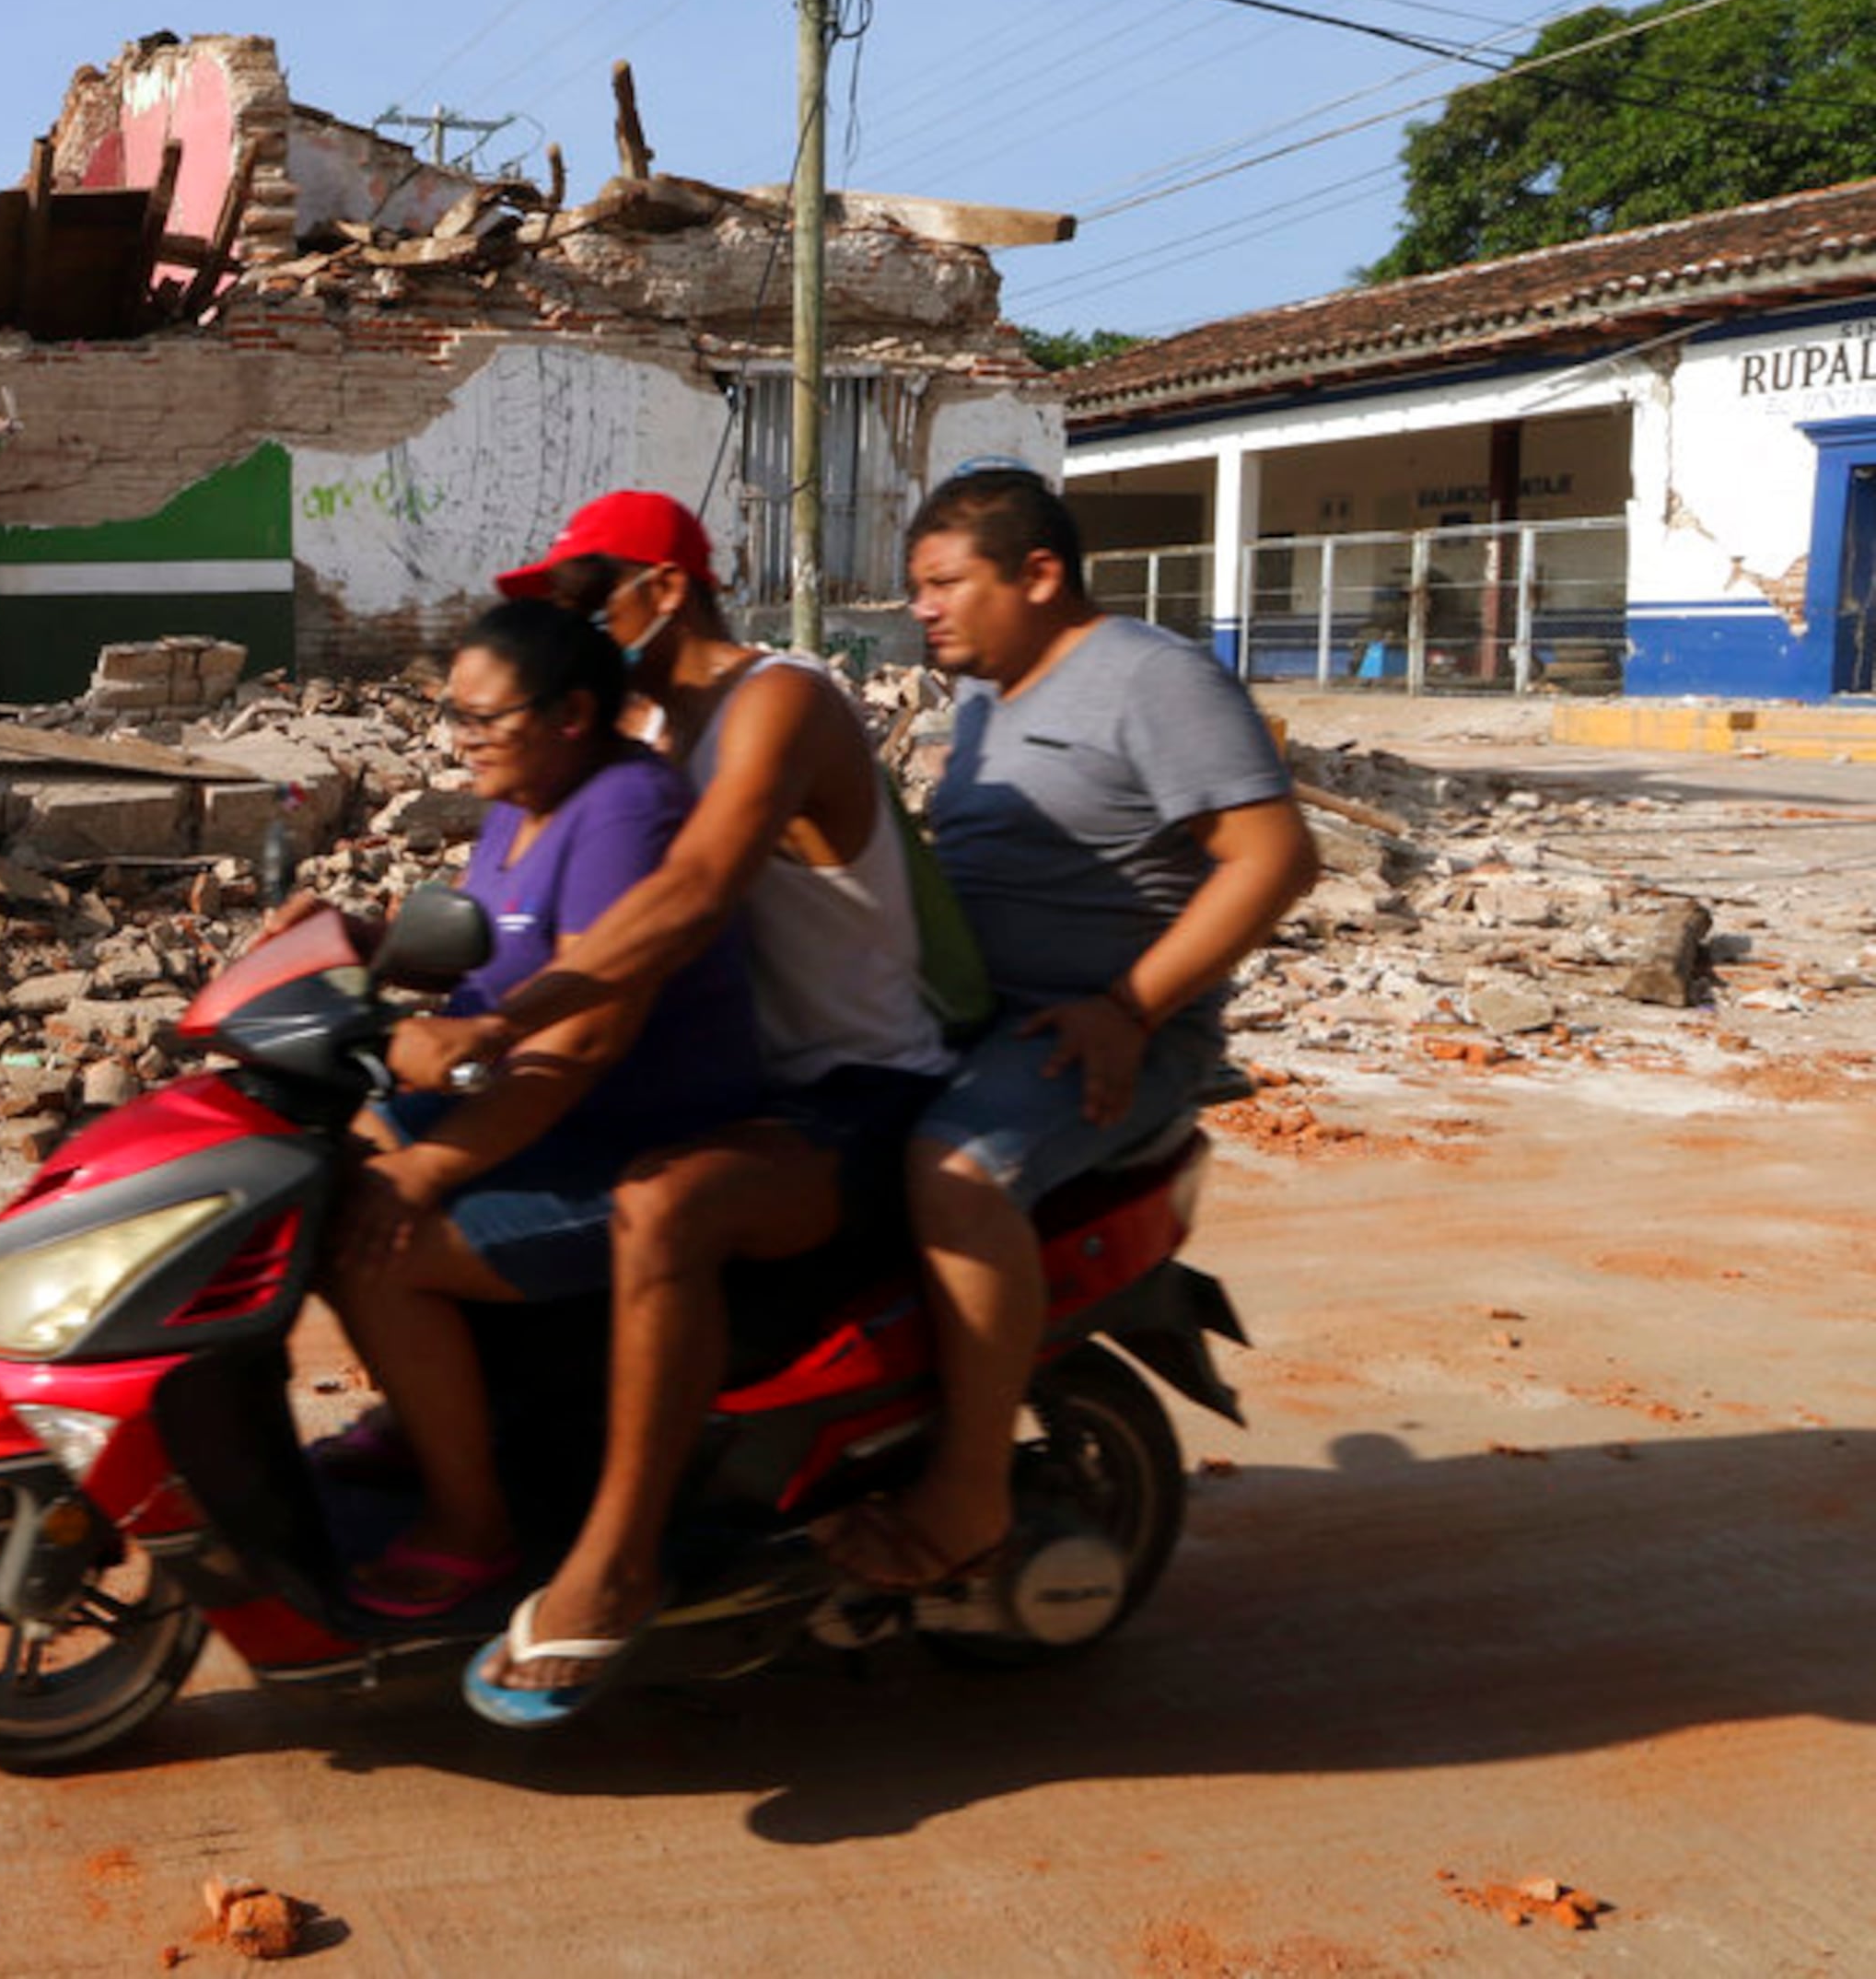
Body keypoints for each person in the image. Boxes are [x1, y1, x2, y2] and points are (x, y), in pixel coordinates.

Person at [387, 490, 949, 1726]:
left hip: (853, 1090)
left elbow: (692, 894)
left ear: (665, 588)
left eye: (587, 595)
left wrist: (512, 1021)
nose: (570, 621)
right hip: (746, 1083)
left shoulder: (777, 700)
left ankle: (619, 1565)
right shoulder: (643, 728)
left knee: (661, 1208)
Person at [821, 466, 1319, 1591]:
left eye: (946, 581)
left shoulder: (1151, 679)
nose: (923, 606)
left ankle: (966, 1492)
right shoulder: (994, 692)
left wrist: (1130, 1009)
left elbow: (1277, 857)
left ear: (1039, 574)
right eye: (918, 585)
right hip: (973, 1016)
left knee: (953, 1174)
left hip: (1097, 1036)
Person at [323, 599, 761, 1621]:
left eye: (484, 719)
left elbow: (582, 1042)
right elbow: (484, 955)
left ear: (571, 712)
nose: (463, 740)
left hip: (618, 1143)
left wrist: (426, 1170)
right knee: (311, 1171)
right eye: (454, 718)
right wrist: (351, 943)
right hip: (528, 1118)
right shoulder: (524, 799)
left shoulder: (623, 809)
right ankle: (435, 1406)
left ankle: (473, 1527)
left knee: (369, 1242)